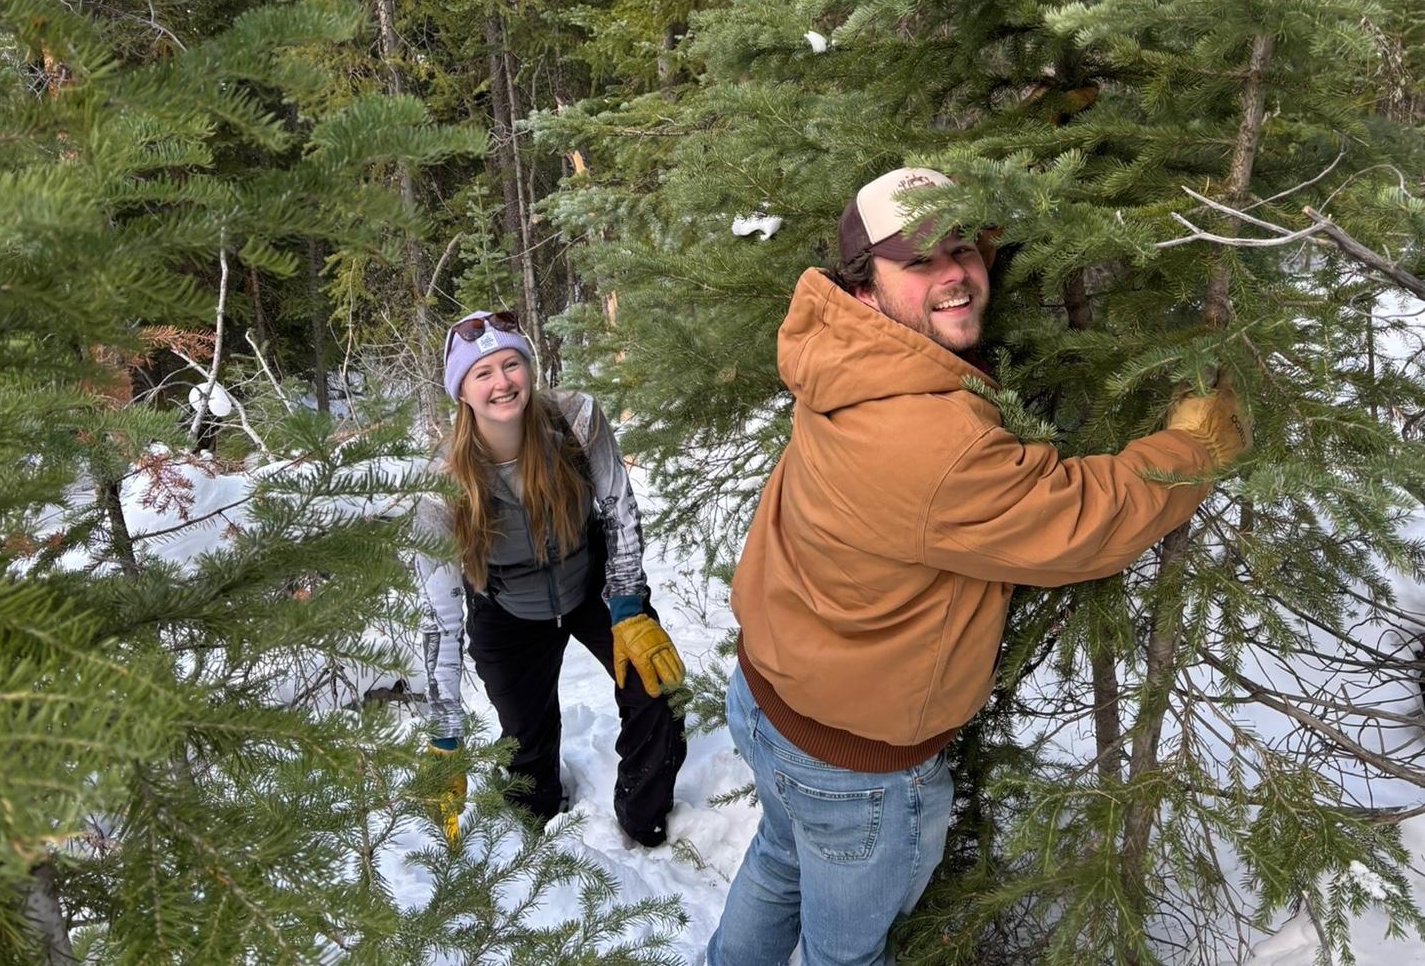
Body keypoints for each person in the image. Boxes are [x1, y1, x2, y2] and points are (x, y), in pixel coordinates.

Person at [707, 169, 1250, 966]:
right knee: (847, 955)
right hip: (854, 767)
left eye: (964, 247)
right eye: (918, 260)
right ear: (866, 286)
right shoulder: (928, 440)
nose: (954, 273)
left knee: (780, 860)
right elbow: (1076, 519)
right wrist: (1193, 451)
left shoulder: (842, 353)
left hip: (770, 697)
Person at [413, 309, 688, 847]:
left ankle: (643, 820)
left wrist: (628, 606)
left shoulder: (575, 421)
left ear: (529, 368)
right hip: (506, 609)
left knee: (658, 696)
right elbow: (440, 616)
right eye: (483, 373)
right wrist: (445, 733)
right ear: (462, 392)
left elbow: (618, 510)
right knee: (526, 748)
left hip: (592, 586)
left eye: (511, 364)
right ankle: (533, 839)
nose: (502, 382)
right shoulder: (439, 484)